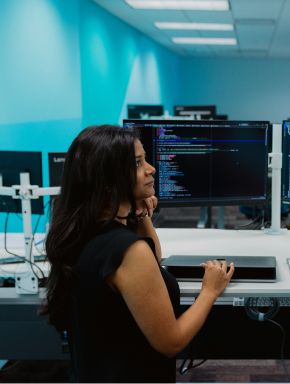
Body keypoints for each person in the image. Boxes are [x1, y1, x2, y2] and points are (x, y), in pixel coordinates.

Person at [42, 125, 234, 382]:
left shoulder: (81, 229)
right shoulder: (127, 251)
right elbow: (172, 342)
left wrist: (140, 215)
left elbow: (149, 267)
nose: (151, 168)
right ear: (109, 179)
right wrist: (209, 291)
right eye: (137, 163)